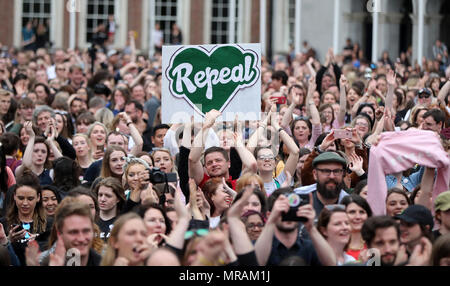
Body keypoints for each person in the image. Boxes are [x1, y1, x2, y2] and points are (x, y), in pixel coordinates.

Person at [254, 188, 336, 266]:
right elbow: (255, 264)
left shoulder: (309, 247)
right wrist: (270, 221)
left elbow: (331, 264)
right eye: (282, 211)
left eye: (292, 209)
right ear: (269, 214)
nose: (288, 214)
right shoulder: (261, 245)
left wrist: (311, 228)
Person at [0, 171, 51, 266]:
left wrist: (39, 242)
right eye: (21, 198)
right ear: (14, 196)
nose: (25, 203)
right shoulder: (3, 224)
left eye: (30, 199)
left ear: (38, 197)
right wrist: (8, 240)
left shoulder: (49, 224)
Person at [294, 152, 349, 217]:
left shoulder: (350, 204)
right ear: (315, 174)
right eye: (326, 171)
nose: (332, 176)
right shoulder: (298, 196)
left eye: (336, 171)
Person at [93, 177, 126, 241]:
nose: (102, 199)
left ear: (118, 199)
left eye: (108, 196)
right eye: (100, 195)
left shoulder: (123, 222)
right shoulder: (90, 220)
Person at [341, 194, 373, 260]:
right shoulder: (335, 245)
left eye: (362, 212)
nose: (358, 217)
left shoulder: (374, 244)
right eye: (352, 212)